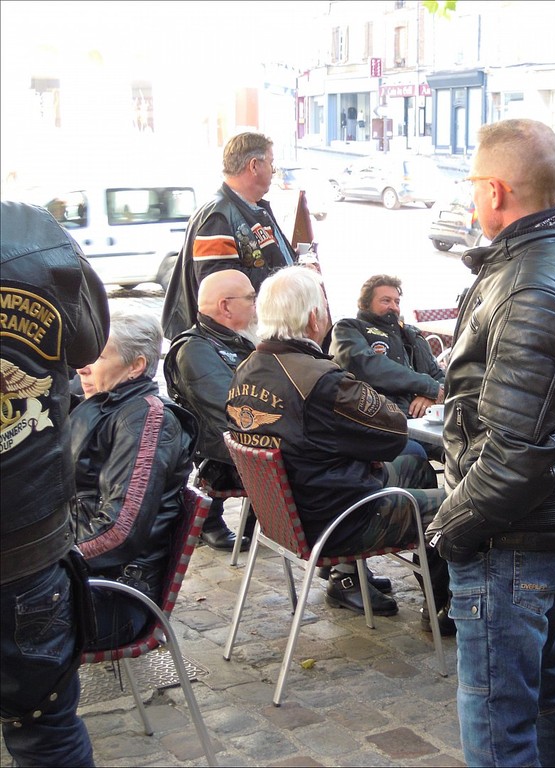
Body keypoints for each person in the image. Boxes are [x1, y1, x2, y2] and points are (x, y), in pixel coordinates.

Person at [424, 118, 555, 766]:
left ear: (494, 190)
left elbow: (518, 455)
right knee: (543, 699)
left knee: (501, 722)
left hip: (510, 536)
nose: (471, 198)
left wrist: (450, 528)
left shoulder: (535, 282)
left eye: (473, 185)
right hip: (542, 526)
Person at [225, 266, 452, 633]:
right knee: (454, 507)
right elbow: (393, 433)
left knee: (415, 465)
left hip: (289, 514)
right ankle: (445, 609)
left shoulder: (247, 368)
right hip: (340, 520)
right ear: (314, 319)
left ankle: (374, 580)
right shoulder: (321, 380)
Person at [1, 201, 108, 767]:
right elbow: (89, 340)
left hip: (30, 541)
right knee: (44, 729)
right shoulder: (30, 232)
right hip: (27, 540)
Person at [71, 312, 197, 650]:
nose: (82, 368)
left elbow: (120, 531)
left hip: (114, 597)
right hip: (81, 578)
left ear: (135, 366)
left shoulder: (146, 419)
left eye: (97, 357)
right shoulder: (100, 402)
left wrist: (49, 562)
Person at [162, 131, 295, 339]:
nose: (273, 171)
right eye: (271, 163)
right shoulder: (218, 217)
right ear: (254, 166)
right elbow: (221, 291)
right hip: (232, 341)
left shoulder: (250, 208)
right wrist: (288, 281)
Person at [164, 270, 258, 551]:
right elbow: (230, 410)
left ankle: (260, 519)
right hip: (223, 451)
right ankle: (209, 520)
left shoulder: (237, 339)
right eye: (251, 298)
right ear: (225, 306)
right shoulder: (195, 349)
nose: (256, 305)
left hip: (244, 440)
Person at [329, 274, 445, 420]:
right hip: (380, 421)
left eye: (397, 302)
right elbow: (368, 367)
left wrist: (433, 397)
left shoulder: (412, 335)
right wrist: (429, 387)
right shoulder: (348, 328)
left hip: (426, 420)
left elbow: (440, 377)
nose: (394, 307)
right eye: (386, 300)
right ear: (365, 304)